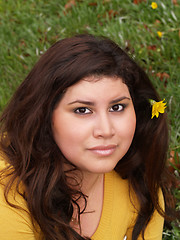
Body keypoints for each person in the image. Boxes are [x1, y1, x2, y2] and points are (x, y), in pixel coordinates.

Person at [0, 34, 176, 240]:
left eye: (117, 107)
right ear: (45, 116)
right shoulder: (7, 188)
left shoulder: (139, 183)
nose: (106, 130)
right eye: (82, 110)